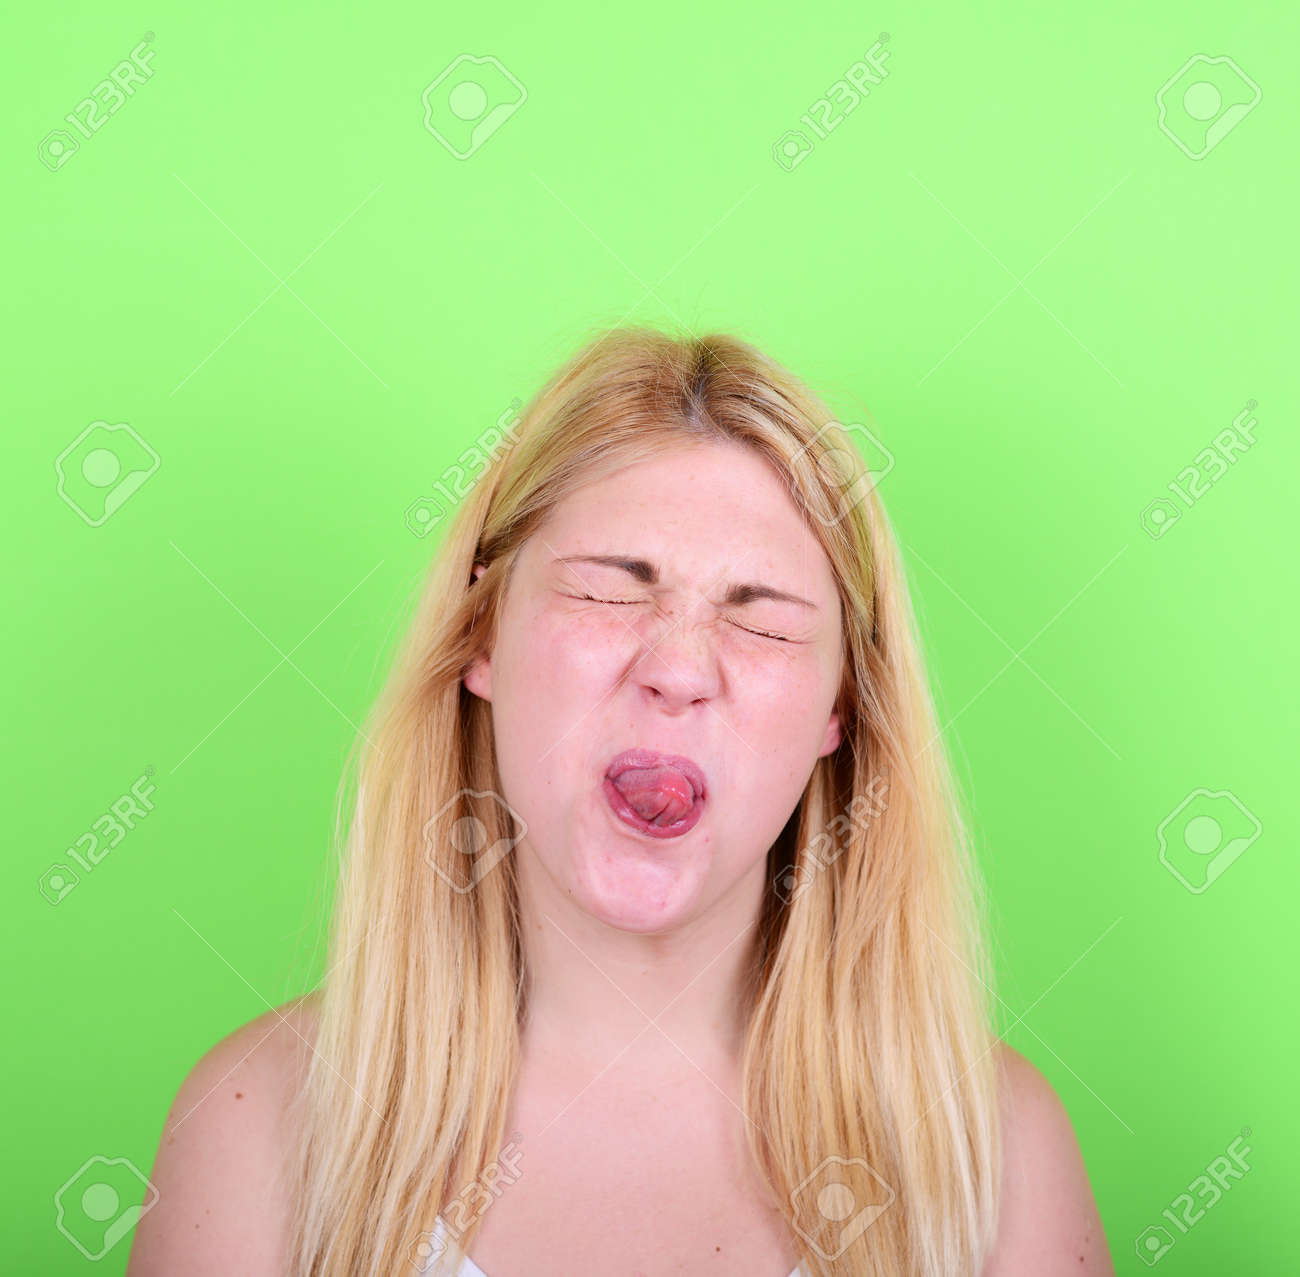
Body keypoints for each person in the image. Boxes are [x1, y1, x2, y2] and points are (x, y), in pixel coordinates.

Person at [127, 325, 1114, 1276]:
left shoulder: (995, 1156)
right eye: (609, 591)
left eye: (761, 622)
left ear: (837, 709)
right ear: (482, 635)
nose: (678, 668)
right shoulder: (254, 1130)